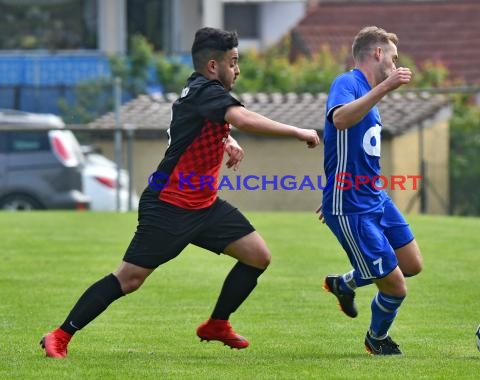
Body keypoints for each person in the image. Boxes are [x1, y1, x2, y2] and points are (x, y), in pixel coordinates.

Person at [40, 27, 320, 358]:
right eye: (233, 62)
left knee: (258, 256)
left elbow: (185, 129)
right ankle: (59, 334)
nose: (238, 69)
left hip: (203, 204)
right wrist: (296, 130)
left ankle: (217, 324)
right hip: (169, 206)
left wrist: (225, 140)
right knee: (129, 279)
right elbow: (241, 117)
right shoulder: (207, 91)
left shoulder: (195, 90)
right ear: (213, 66)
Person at [317, 26, 423, 355]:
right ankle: (376, 340)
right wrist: (336, 197)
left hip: (374, 197)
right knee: (395, 286)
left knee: (412, 264)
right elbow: (340, 121)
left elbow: (350, 152)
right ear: (377, 53)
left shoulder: (369, 95)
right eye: (393, 57)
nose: (395, 64)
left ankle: (344, 283)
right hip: (352, 205)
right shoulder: (347, 83)